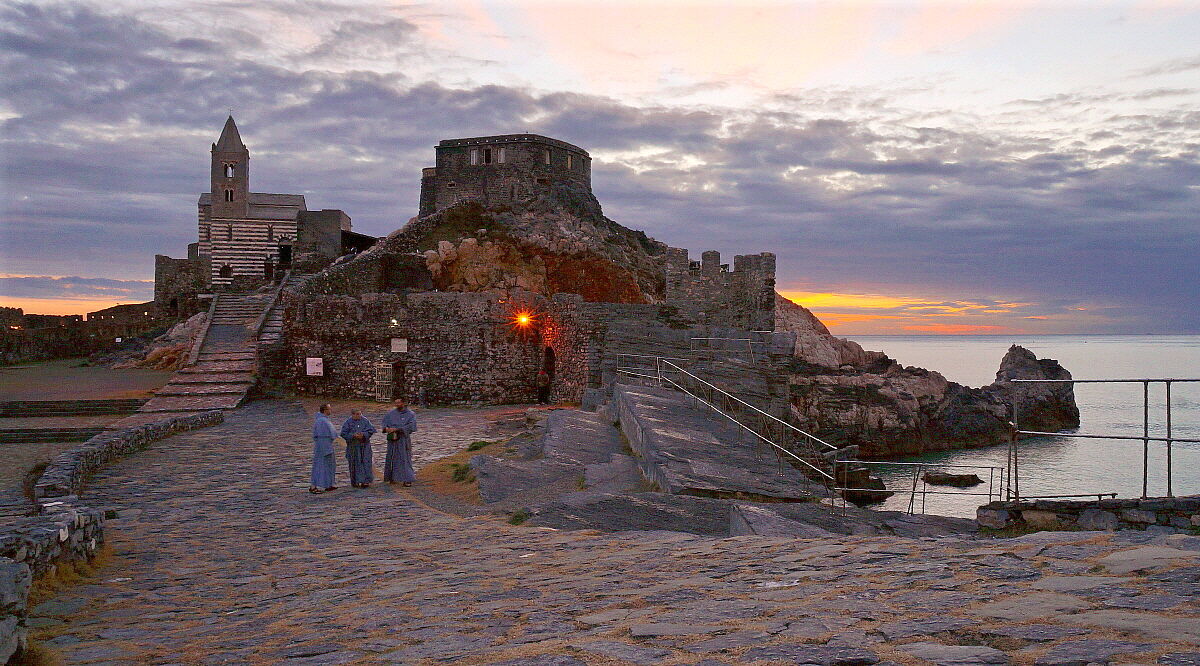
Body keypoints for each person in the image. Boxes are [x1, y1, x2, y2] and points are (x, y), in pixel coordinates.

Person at [382, 397, 417, 486]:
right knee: (392, 458)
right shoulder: (391, 413)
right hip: (392, 440)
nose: (397, 405)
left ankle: (407, 479)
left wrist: (398, 429)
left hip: (403, 440)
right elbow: (384, 423)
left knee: (404, 459)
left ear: (403, 403)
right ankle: (392, 477)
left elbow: (411, 426)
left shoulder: (410, 414)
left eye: (399, 403)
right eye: (396, 403)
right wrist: (387, 429)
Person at [340, 408, 377, 488]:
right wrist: (353, 435)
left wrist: (363, 434)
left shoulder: (365, 421)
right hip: (353, 447)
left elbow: (371, 430)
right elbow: (343, 433)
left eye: (360, 414)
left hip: (364, 446)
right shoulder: (348, 422)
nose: (359, 416)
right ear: (353, 414)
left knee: (366, 463)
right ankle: (355, 481)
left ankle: (366, 481)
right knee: (354, 464)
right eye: (357, 414)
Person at [310, 403, 337, 493]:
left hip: (326, 445)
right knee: (320, 465)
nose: (330, 410)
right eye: (329, 409)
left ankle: (328, 484)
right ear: (325, 410)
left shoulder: (322, 420)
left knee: (328, 465)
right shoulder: (322, 421)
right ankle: (314, 486)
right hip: (323, 446)